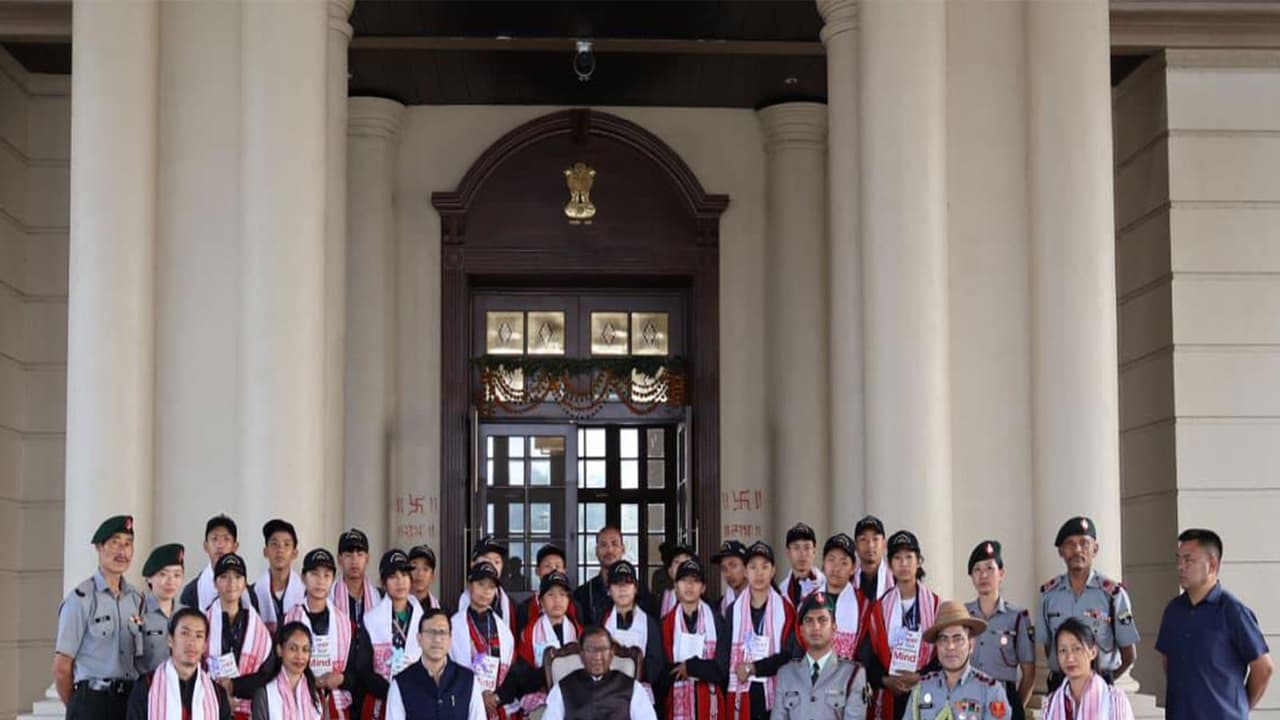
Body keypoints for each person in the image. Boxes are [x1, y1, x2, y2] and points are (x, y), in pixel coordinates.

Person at [1155, 528, 1273, 719]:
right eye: (1178, 559)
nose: (1180, 566)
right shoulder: (1173, 611)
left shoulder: (1233, 612)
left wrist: (1240, 706)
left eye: (1188, 560)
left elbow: (1264, 668)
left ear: (1212, 564)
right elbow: (1168, 662)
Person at [53, 515, 145, 720]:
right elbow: (61, 668)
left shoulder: (137, 599)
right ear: (99, 547)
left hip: (129, 702)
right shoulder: (81, 599)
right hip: (92, 701)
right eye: (115, 543)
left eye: (127, 544)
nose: (122, 551)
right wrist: (79, 705)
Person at [1037, 516, 1138, 693]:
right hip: (1060, 686)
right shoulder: (1048, 595)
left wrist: (1104, 682)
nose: (1077, 550)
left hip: (1100, 684)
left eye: (1084, 543)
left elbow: (1129, 655)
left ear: (1095, 549)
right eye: (1070, 544)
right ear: (1061, 551)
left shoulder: (1113, 595)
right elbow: (1048, 647)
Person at [860, 530, 939, 720]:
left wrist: (920, 676)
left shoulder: (936, 605)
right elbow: (869, 657)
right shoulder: (879, 609)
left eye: (909, 557)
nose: (903, 564)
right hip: (890, 694)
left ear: (919, 561)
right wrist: (887, 681)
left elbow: (943, 655)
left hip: (926, 691)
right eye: (897, 558)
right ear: (890, 564)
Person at [728, 541, 800, 720]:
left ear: (773, 571)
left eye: (764, 567)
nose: (759, 573)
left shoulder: (786, 610)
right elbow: (723, 653)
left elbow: (789, 655)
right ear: (746, 572)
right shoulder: (733, 610)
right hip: (742, 694)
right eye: (753, 567)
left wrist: (754, 668)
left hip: (775, 696)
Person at [283, 548, 357, 720]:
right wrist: (312, 681)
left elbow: (356, 671)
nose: (320, 581)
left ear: (333, 579)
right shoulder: (288, 619)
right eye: (314, 574)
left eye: (327, 575)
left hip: (334, 706)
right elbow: (278, 666)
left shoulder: (345, 624)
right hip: (294, 703)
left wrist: (341, 679)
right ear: (303, 577)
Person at [495, 570, 581, 715]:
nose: (557, 600)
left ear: (568, 600)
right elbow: (522, 676)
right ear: (541, 601)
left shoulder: (578, 631)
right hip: (540, 697)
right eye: (551, 595)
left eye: (562, 595)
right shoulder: (530, 633)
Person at [771, 591, 868, 720]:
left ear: (834, 627)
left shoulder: (853, 675)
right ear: (801, 630)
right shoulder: (786, 673)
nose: (816, 627)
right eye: (809, 621)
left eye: (822, 620)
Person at [965, 541, 1034, 720]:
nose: (983, 575)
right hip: (968, 698)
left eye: (990, 568)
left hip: (1004, 697)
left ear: (1001, 573)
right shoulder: (963, 615)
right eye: (977, 570)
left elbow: (1028, 670)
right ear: (971, 576)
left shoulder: (1017, 617)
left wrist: (1015, 705)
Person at [906, 600, 1008, 720]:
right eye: (943, 639)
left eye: (958, 639)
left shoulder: (991, 691)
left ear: (971, 645)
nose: (950, 646)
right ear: (937, 646)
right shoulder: (922, 688)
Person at [127, 607, 232, 720]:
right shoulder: (146, 687)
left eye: (198, 636)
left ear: (204, 646)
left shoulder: (217, 693)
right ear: (170, 640)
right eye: (185, 633)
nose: (191, 642)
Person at [357, 549, 425, 720]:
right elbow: (364, 669)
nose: (400, 581)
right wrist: (393, 692)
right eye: (393, 577)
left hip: (417, 697)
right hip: (381, 698)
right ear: (383, 582)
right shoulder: (371, 620)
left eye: (404, 574)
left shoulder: (424, 618)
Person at [204, 553, 272, 720]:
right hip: (209, 706)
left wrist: (234, 686)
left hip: (250, 710)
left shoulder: (258, 629)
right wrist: (220, 692)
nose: (231, 583)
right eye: (224, 577)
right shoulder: (202, 624)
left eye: (237, 577)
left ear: (244, 583)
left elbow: (267, 675)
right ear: (215, 583)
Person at [385, 609, 486, 720]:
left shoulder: (468, 681)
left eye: (442, 632)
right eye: (430, 632)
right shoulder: (400, 684)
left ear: (450, 639)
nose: (437, 639)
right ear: (419, 639)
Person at [541, 626, 659, 720]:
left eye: (603, 649)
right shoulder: (563, 688)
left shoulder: (632, 688)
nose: (597, 657)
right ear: (581, 655)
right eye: (590, 650)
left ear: (612, 653)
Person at [660, 558, 729, 720]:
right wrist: (699, 669)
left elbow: (722, 668)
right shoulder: (664, 624)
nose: (689, 586)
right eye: (684, 580)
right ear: (676, 587)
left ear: (703, 587)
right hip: (675, 704)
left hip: (711, 703)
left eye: (695, 581)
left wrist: (690, 668)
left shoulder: (718, 622)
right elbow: (660, 673)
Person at [449, 561, 516, 719]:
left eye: (491, 587)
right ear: (469, 586)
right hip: (462, 702)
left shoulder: (504, 631)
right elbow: (447, 668)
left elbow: (511, 673)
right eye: (481, 584)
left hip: (495, 703)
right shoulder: (453, 625)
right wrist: (478, 695)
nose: (486, 591)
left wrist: (495, 696)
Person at [600, 559, 666, 707]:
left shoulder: (649, 623)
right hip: (607, 693)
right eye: (617, 584)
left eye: (627, 583)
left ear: (636, 588)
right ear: (609, 590)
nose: (622, 589)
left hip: (641, 694)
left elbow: (656, 664)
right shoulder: (601, 622)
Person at [1040, 620, 1134, 720]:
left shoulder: (1113, 699)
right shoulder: (1050, 704)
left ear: (1093, 652)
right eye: (1063, 650)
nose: (1070, 658)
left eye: (1077, 649)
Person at [573, 526, 654, 625]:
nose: (609, 550)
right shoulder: (583, 594)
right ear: (596, 551)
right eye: (603, 545)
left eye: (614, 544)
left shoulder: (641, 592)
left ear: (623, 549)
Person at [250, 623, 324, 720]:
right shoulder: (265, 694)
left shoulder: (316, 692)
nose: (300, 656)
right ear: (279, 650)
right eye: (293, 648)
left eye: (305, 650)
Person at [811, 534, 862, 660]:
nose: (836, 568)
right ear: (823, 563)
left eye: (844, 563)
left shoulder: (863, 604)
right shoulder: (809, 601)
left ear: (853, 568)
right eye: (831, 560)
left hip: (850, 674)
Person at [138, 543, 187, 675]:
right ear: (149, 578)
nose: (170, 581)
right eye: (163, 574)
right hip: (144, 690)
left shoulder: (186, 615)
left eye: (177, 575)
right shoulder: (137, 612)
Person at [513, 544, 582, 636]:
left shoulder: (575, 607)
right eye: (547, 566)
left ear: (564, 571)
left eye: (558, 566)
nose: (553, 570)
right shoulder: (525, 609)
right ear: (537, 571)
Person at [251, 520, 304, 636]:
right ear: (265, 552)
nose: (280, 550)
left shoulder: (305, 593)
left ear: (295, 553)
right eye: (274, 544)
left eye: (286, 544)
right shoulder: (253, 593)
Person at [458, 536, 517, 634]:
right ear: (473, 564)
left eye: (497, 562)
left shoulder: (511, 606)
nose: (492, 566)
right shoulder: (454, 604)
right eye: (487, 560)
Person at [181, 515, 239, 612]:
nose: (220, 545)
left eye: (226, 539)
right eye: (214, 539)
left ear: (235, 547)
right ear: (205, 546)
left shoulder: (245, 591)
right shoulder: (192, 592)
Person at [332, 529, 381, 631]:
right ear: (339, 559)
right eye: (348, 555)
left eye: (359, 554)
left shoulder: (379, 597)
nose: (354, 561)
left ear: (367, 559)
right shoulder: (329, 596)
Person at [779, 524, 824, 608]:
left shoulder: (825, 585)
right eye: (796, 548)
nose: (802, 554)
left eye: (807, 548)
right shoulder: (781, 591)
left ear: (814, 551)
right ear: (787, 552)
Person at [851, 516, 892, 607]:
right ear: (856, 545)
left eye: (875, 539)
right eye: (863, 539)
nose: (870, 545)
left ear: (884, 544)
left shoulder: (895, 579)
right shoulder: (848, 579)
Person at [656, 542, 696, 618]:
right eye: (677, 562)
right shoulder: (658, 602)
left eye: (686, 562)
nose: (681, 567)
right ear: (670, 570)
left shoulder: (706, 608)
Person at [712, 540, 749, 616]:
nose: (728, 573)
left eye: (733, 565)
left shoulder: (767, 602)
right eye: (724, 568)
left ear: (746, 567)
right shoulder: (719, 608)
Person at [408, 544, 443, 611]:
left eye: (425, 569)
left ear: (432, 577)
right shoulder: (395, 608)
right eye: (414, 567)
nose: (420, 573)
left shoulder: (441, 611)